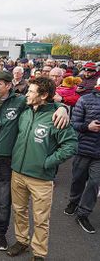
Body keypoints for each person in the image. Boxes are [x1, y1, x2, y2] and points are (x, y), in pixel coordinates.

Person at [0, 70, 68, 251]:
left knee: (5, 201)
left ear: (9, 86)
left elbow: (47, 102)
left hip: (8, 161)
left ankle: (0, 234)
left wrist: (63, 108)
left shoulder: (21, 101)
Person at [6, 77, 77, 260]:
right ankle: (22, 241)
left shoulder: (56, 117)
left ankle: (39, 253)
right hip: (18, 173)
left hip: (41, 178)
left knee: (40, 219)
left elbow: (70, 145)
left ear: (44, 95)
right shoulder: (25, 111)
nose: (27, 94)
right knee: (19, 211)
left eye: (31, 91)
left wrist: (47, 162)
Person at [66, 79, 100, 234]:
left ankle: (83, 213)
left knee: (94, 183)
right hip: (84, 148)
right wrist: (88, 126)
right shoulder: (85, 99)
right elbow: (74, 123)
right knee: (78, 179)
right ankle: (74, 201)